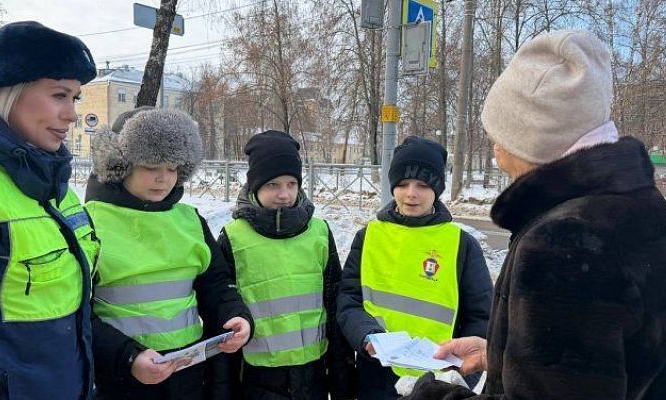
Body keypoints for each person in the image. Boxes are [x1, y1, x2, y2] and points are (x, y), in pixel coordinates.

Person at [404, 30, 666, 400]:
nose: (496, 152)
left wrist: (431, 395)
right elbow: (616, 359)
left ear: (533, 138)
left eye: (501, 135)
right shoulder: (645, 207)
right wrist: (500, 354)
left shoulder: (564, 243)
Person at [0, 21, 99, 399]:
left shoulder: (56, 185)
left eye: (76, 98)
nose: (71, 114)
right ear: (9, 93)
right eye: (59, 95)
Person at [85, 107, 253, 400]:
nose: (164, 178)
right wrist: (127, 356)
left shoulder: (189, 220)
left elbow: (215, 283)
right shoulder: (90, 222)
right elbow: (75, 312)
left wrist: (234, 315)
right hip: (120, 378)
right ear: (121, 163)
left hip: (186, 374)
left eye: (173, 168)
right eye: (152, 166)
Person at [337, 135, 493, 400]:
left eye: (422, 185)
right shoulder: (369, 237)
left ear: (437, 190)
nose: (411, 193)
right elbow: (348, 299)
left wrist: (461, 376)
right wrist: (367, 337)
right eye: (403, 183)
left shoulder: (461, 245)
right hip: (376, 375)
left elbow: (481, 317)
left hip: (436, 383)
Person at [217, 130, 357, 400]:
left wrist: (342, 378)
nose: (284, 194)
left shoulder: (319, 232)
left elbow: (334, 304)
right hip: (257, 379)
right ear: (255, 186)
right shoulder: (233, 238)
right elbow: (223, 312)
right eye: (273, 185)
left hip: (313, 375)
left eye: (292, 184)